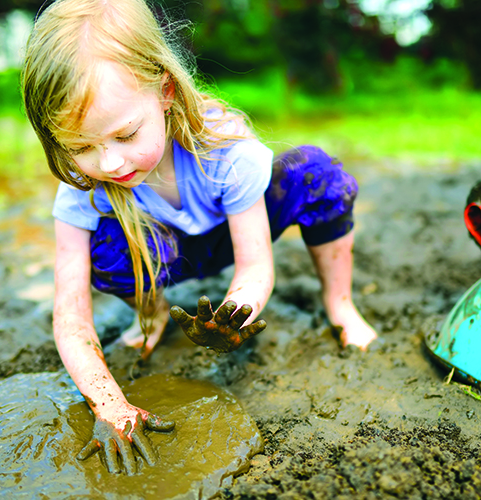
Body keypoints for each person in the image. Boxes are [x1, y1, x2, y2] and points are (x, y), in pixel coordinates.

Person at [22, 0, 377, 475]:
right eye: (81, 147)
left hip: (238, 232)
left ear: (165, 90)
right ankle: (151, 313)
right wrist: (110, 405)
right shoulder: (83, 191)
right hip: (164, 252)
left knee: (318, 174)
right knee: (99, 246)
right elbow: (69, 315)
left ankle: (341, 303)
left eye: (126, 135)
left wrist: (236, 313)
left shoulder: (225, 148)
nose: (109, 164)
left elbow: (254, 268)